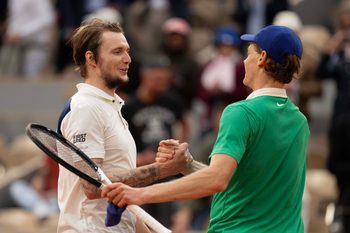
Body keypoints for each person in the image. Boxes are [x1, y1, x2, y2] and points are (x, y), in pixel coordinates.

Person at [101, 25, 310, 233]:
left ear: (262, 58)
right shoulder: (299, 120)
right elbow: (238, 182)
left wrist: (138, 194)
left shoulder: (241, 113)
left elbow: (217, 180)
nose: (244, 61)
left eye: (248, 55)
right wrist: (187, 164)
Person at [56, 18, 189, 233]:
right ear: (91, 59)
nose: (127, 59)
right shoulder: (86, 107)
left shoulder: (110, 107)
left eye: (127, 51)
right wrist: (162, 170)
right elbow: (92, 186)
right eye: (117, 52)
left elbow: (121, 199)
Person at [315, 1, 350, 231]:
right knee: (340, 169)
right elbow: (321, 72)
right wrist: (332, 46)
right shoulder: (340, 56)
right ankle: (343, 213)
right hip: (341, 121)